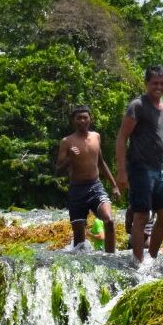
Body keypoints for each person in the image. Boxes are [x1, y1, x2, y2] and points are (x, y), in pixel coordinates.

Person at [115, 66, 163, 266]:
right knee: (142, 215)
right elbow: (121, 138)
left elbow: (161, 141)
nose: (159, 87)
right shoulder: (138, 105)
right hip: (140, 167)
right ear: (146, 84)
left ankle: (151, 259)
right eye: (155, 83)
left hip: (159, 168)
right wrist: (121, 171)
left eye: (162, 83)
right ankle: (138, 262)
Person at [56, 105, 119, 252]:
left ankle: (111, 259)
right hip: (76, 191)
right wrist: (70, 157)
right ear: (73, 121)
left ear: (90, 119)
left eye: (85, 117)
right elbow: (58, 170)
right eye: (79, 118)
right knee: (79, 240)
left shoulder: (96, 136)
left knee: (109, 220)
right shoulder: (67, 141)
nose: (82, 121)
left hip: (95, 187)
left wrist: (114, 185)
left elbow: (101, 163)